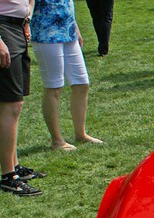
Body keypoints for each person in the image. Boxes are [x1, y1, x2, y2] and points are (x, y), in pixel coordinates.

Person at [0, 0, 45, 196]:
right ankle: (8, 177)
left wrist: (25, 19)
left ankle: (15, 166)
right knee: (10, 101)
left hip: (15, 26)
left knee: (16, 101)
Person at [30, 0, 102, 151]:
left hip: (68, 31)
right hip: (46, 32)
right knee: (53, 86)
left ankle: (81, 134)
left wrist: (75, 28)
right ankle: (57, 141)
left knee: (81, 83)